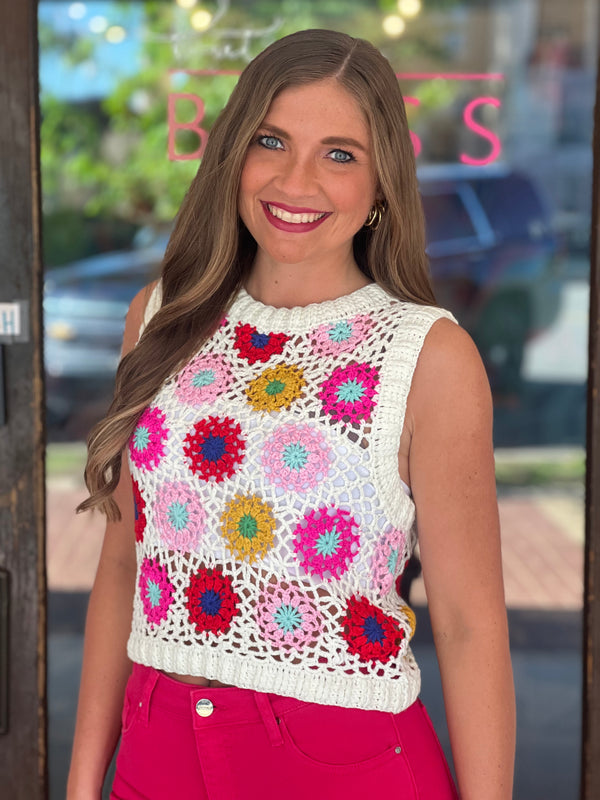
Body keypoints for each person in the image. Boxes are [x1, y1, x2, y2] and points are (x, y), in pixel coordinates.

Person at [67, 29, 515, 800]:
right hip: (157, 753)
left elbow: (471, 627)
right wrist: (82, 783)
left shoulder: (425, 355)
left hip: (345, 766)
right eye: (271, 141)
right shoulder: (160, 319)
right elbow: (121, 569)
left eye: (340, 154)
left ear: (381, 189)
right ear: (233, 153)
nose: (296, 180)